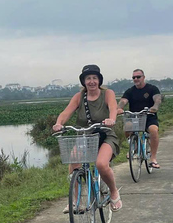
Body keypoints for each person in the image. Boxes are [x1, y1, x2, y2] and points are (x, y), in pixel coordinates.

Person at [52, 64, 123, 211]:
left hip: (105, 135)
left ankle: (114, 192)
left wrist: (111, 119)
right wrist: (59, 123)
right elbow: (66, 113)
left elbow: (112, 108)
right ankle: (75, 202)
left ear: (99, 80)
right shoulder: (79, 97)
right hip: (86, 136)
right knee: (73, 162)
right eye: (88, 78)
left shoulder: (107, 93)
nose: (91, 81)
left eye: (94, 78)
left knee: (101, 164)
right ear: (84, 81)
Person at [118, 69, 163, 169]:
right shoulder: (130, 91)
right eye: (134, 77)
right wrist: (119, 108)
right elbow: (123, 101)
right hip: (135, 117)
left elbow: (157, 99)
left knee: (153, 130)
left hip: (149, 117)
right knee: (127, 127)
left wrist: (155, 107)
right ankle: (134, 146)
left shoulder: (152, 89)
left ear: (143, 77)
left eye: (138, 77)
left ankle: (153, 158)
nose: (136, 79)